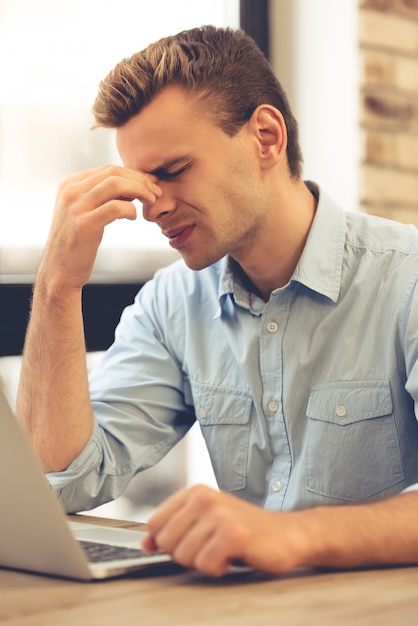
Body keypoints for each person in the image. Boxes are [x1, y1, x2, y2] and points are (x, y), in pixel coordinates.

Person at [16, 25, 418, 578]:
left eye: (173, 171)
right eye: (141, 182)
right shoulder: (172, 304)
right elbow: (62, 482)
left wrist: (292, 534)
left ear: (266, 138)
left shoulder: (407, 279)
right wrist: (57, 287)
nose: (152, 207)